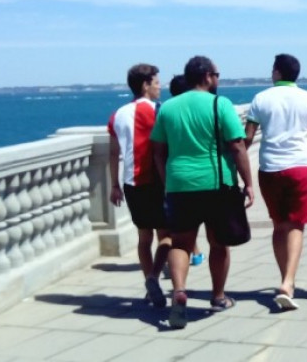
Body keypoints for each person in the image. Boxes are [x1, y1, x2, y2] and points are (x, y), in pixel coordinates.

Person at [151, 55, 255, 329]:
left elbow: (158, 151)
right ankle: (218, 296)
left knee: (181, 242)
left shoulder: (168, 108)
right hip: (216, 184)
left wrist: (167, 180)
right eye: (217, 74)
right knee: (219, 242)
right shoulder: (220, 104)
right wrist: (249, 183)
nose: (219, 79)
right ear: (207, 76)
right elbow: (237, 146)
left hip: (179, 185)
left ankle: (180, 290)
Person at [244, 53, 307, 311]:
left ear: (278, 72)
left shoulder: (261, 99)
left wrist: (238, 168)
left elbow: (246, 138)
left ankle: (285, 279)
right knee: (296, 226)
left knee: (278, 225)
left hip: (269, 169)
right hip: (299, 169)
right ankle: (288, 281)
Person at [107, 63, 170, 308]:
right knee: (167, 236)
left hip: (131, 183)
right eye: (156, 83)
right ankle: (154, 276)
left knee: (144, 237)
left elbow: (114, 154)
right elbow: (163, 148)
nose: (159, 87)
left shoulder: (117, 115)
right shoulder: (158, 111)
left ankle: (148, 283)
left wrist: (114, 185)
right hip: (157, 180)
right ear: (145, 85)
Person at [168, 74, 203, 268]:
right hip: (205, 176)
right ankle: (196, 252)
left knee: (179, 231)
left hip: (174, 177)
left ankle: (178, 286)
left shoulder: (166, 111)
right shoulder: (201, 108)